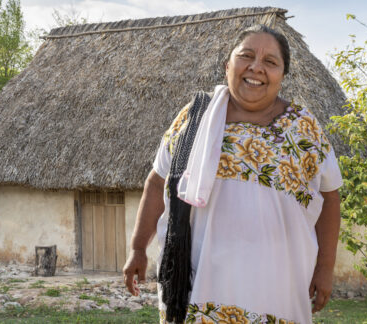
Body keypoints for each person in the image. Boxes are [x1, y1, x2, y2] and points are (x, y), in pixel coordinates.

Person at [123, 25, 343, 324]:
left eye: (271, 61)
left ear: (282, 75)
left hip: (276, 287)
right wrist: (138, 248)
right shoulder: (194, 118)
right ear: (229, 65)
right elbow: (158, 181)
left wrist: (325, 267)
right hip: (197, 283)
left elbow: (330, 198)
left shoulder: (304, 129)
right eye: (246, 56)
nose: (256, 67)